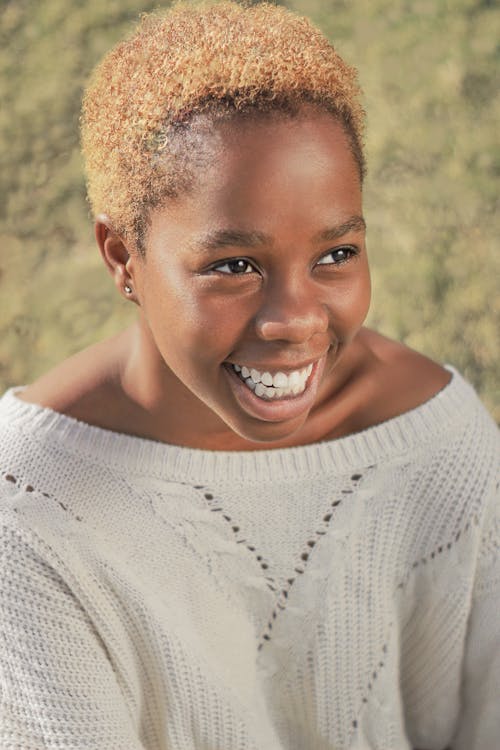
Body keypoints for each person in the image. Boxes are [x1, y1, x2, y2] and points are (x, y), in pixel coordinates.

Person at [0, 1, 498, 748]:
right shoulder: (31, 512)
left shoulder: (440, 447)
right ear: (121, 259)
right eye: (233, 266)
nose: (295, 321)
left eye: (335, 255)